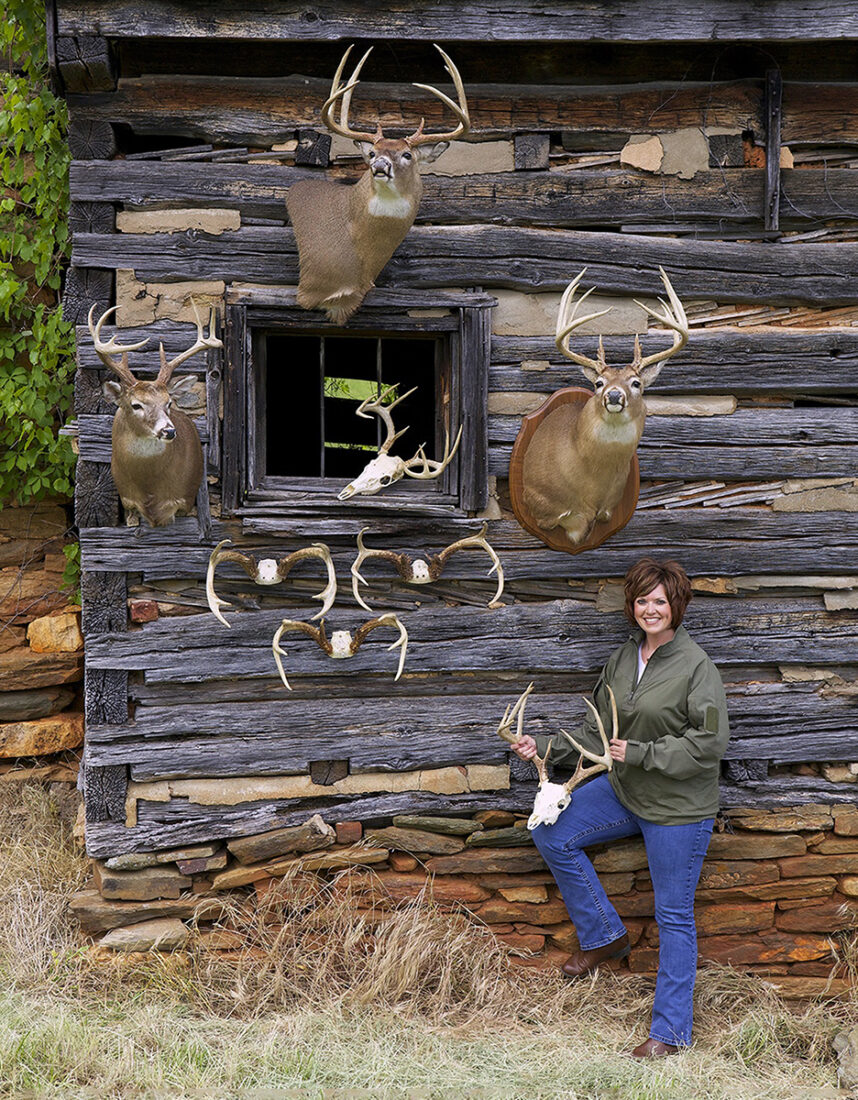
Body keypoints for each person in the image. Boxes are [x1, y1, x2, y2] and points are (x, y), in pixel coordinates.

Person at [512, 557, 729, 1059]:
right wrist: (541, 747)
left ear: (677, 605)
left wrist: (644, 753)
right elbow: (595, 731)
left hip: (677, 807)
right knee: (552, 830)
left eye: (660, 600)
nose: (650, 609)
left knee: (673, 914)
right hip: (627, 790)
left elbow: (710, 743)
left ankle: (670, 1033)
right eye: (641, 600)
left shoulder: (698, 667)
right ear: (632, 606)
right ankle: (605, 936)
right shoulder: (624, 658)